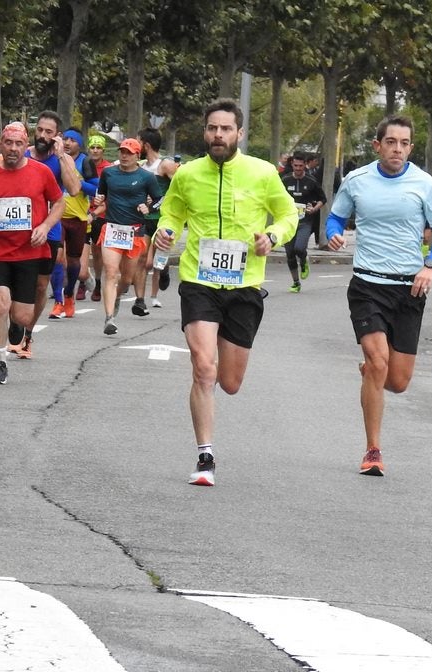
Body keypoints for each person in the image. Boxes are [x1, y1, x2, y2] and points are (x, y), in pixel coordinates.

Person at [151, 99, 297, 486]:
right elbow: (172, 213)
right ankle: (205, 456)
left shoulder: (262, 173)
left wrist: (273, 237)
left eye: (226, 129)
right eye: (212, 128)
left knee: (229, 382)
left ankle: (209, 388)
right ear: (205, 131)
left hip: (245, 285)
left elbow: (288, 215)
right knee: (203, 366)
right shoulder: (187, 175)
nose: (218, 135)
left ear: (239, 133)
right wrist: (163, 232)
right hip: (199, 282)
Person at [324, 116, 432, 476]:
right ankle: (373, 451)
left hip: (409, 289)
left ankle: (372, 372)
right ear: (377, 145)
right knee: (380, 362)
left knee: (397, 382)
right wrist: (334, 234)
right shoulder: (358, 180)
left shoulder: (424, 185)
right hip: (367, 285)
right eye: (391, 142)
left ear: (411, 147)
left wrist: (430, 265)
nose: (397, 149)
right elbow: (336, 218)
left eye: (405, 143)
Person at [0, 123, 65, 385]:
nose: (13, 149)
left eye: (18, 144)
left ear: (26, 146)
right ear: (0, 144)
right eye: (8, 143)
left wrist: (45, 226)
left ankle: (17, 324)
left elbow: (59, 201)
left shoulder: (41, 172)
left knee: (22, 315)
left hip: (30, 251)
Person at [14, 111, 81, 358]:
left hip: (49, 230)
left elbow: (74, 190)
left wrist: (62, 155)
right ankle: (15, 320)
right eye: (39, 129)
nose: (42, 135)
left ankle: (28, 335)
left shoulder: (62, 160)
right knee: (14, 282)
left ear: (57, 136)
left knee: (41, 286)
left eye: (48, 132)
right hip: (19, 227)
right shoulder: (24, 153)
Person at [96, 137, 163, 334]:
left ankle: (117, 296)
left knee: (126, 279)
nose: (124, 156)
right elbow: (102, 196)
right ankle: (109, 318)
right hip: (111, 229)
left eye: (129, 153)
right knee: (110, 272)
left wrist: (148, 207)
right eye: (122, 151)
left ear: (137, 156)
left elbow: (160, 200)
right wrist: (98, 200)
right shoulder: (108, 173)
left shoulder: (146, 177)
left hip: (134, 232)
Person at [49, 128, 99, 320]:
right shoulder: (54, 159)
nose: (68, 143)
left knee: (74, 261)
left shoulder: (85, 162)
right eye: (66, 139)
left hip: (78, 219)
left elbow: (96, 187)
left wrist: (77, 181)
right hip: (57, 216)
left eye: (73, 140)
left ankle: (69, 294)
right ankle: (58, 301)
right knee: (57, 257)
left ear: (79, 144)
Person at [138, 126, 179, 311]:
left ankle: (155, 293)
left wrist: (163, 201)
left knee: (156, 262)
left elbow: (179, 186)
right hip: (146, 217)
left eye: (138, 142)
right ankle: (141, 299)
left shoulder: (165, 165)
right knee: (144, 260)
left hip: (163, 218)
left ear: (146, 145)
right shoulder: (141, 167)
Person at [281, 152, 326, 293]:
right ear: (292, 165)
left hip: (305, 221)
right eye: (296, 166)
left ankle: (304, 260)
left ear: (305, 166)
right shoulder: (285, 180)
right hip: (288, 221)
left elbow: (322, 199)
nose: (298, 169)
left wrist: (314, 208)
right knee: (289, 254)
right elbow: (276, 197)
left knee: (299, 248)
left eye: (301, 166)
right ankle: (296, 282)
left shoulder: (311, 181)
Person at [85, 134, 111, 302]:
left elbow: (111, 194)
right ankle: (82, 282)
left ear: (103, 150)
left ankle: (99, 282)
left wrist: (95, 212)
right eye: (92, 147)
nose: (95, 150)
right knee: (80, 251)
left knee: (97, 250)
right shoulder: (82, 164)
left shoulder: (108, 169)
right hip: (81, 213)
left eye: (98, 147)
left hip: (101, 214)